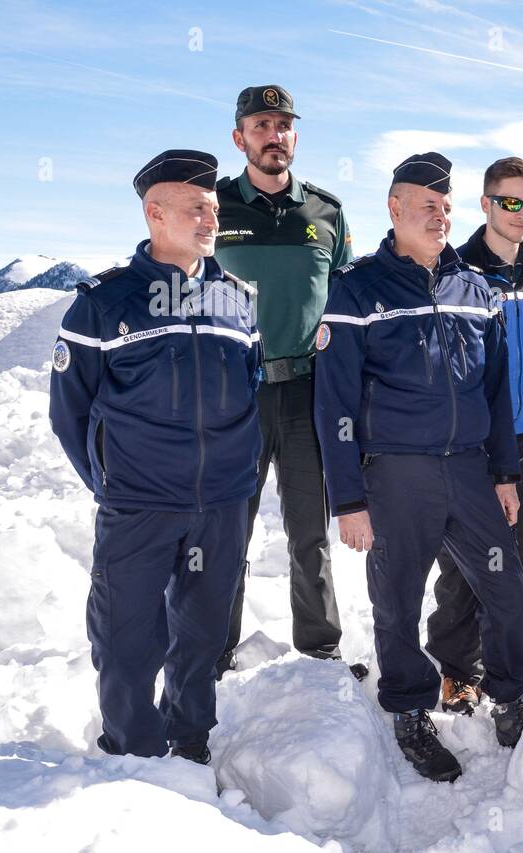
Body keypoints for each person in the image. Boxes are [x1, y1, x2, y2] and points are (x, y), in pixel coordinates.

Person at [314, 152, 523, 782]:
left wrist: (503, 474)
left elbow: (496, 393)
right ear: (394, 210)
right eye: (426, 206)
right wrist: (348, 500)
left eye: (445, 206)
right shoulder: (358, 291)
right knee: (397, 601)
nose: (440, 216)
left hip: (469, 471)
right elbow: (332, 404)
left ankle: (512, 696)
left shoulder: (474, 288)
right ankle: (410, 711)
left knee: (505, 590)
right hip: (396, 475)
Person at [49, 150, 262, 764]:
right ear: (155, 212)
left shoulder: (237, 300)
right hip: (138, 506)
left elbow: (248, 390)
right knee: (126, 638)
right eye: (197, 208)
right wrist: (114, 481)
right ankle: (132, 751)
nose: (210, 220)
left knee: (200, 638)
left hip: (220, 505)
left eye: (214, 209)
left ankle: (191, 743)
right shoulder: (103, 304)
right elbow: (71, 412)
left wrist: (235, 477)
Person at [214, 85, 358, 678]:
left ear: (294, 135)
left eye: (284, 125)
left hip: (306, 393)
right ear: (240, 136)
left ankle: (320, 653)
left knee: (309, 533)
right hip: (232, 395)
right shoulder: (214, 206)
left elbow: (346, 302)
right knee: (225, 532)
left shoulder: (325, 211)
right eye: (261, 124)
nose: (275, 135)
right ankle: (211, 652)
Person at [428, 156, 523, 714]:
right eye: (510, 202)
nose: (522, 214)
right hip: (472, 438)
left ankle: (504, 662)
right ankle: (456, 669)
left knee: (517, 556)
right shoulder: (455, 270)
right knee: (465, 563)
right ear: (486, 203)